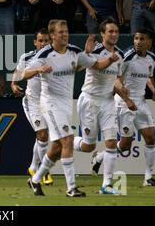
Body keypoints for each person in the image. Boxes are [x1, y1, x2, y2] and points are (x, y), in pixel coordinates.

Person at [23, 19, 119, 197]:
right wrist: (39, 70)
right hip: (49, 103)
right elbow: (24, 73)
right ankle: (71, 188)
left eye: (66, 31)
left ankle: (35, 179)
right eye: (60, 32)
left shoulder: (74, 52)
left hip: (66, 104)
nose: (65, 35)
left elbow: (96, 65)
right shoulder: (45, 53)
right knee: (67, 139)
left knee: (57, 148)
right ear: (52, 35)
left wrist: (109, 60)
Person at [92, 27, 155, 187]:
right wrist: (124, 93)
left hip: (141, 102)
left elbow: (148, 76)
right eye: (136, 38)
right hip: (124, 103)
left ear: (149, 42)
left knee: (151, 138)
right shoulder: (125, 57)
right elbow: (116, 78)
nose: (138, 42)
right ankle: (100, 157)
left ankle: (148, 178)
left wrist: (153, 90)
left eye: (142, 39)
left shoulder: (152, 58)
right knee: (125, 145)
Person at [72, 17, 131, 195]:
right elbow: (75, 68)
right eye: (110, 31)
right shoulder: (94, 51)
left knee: (112, 142)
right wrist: (86, 53)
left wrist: (125, 95)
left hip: (107, 101)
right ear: (102, 34)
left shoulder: (120, 55)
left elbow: (117, 80)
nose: (114, 34)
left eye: (116, 31)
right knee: (89, 146)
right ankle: (65, 142)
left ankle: (106, 185)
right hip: (89, 100)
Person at [11, 28, 53, 186]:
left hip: (49, 102)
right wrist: (14, 84)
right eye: (40, 40)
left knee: (43, 137)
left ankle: (33, 167)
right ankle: (44, 171)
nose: (43, 43)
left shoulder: (56, 57)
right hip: (32, 102)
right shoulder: (27, 57)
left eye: (46, 40)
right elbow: (18, 72)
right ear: (35, 42)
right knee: (42, 135)